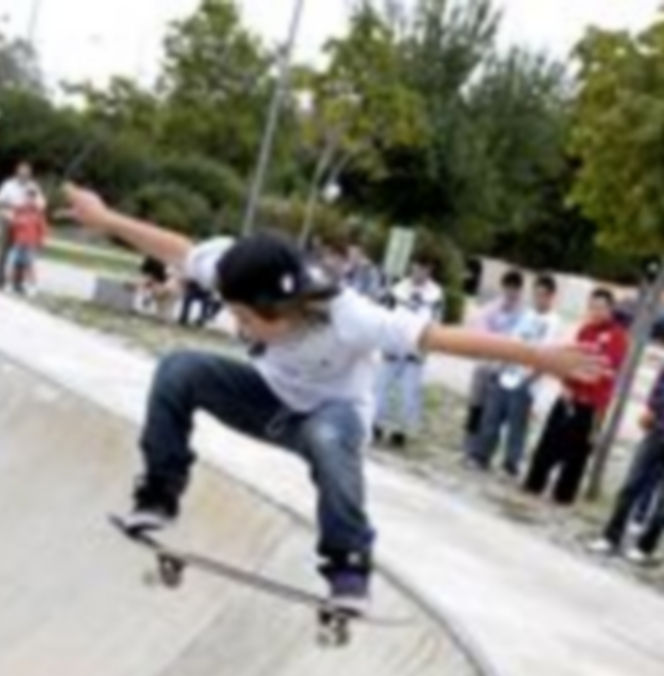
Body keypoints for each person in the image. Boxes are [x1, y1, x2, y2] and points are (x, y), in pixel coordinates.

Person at [63, 183, 605, 611]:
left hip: (332, 417)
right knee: (179, 368)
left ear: (288, 308)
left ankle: (348, 561)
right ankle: (159, 494)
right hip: (267, 401)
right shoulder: (241, 266)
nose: (240, 325)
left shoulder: (353, 317)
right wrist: (106, 219)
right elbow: (178, 248)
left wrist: (544, 358)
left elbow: (440, 339)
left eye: (249, 319)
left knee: (326, 435)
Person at [524, 288, 628, 505]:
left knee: (577, 454)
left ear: (610, 309)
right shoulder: (585, 331)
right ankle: (534, 485)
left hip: (590, 403)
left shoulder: (618, 337)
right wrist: (565, 383)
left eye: (600, 307)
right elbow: (571, 359)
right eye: (592, 307)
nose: (595, 311)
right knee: (548, 442)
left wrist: (590, 389)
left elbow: (606, 371)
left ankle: (563, 496)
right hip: (568, 396)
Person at [472, 274, 562, 476]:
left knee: (517, 425)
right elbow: (512, 342)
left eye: (542, 295)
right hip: (507, 372)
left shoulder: (553, 322)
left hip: (526, 379)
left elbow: (548, 354)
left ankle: (511, 462)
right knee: (492, 417)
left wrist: (531, 379)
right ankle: (481, 455)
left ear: (550, 297)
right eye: (535, 294)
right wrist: (500, 367)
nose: (538, 299)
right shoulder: (526, 315)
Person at [588, 367, 664, 564]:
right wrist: (651, 407)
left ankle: (644, 547)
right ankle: (610, 537)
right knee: (630, 486)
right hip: (658, 430)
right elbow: (659, 384)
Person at [373, 254, 444, 447]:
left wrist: (427, 347)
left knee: (408, 391)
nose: (420, 271)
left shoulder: (435, 294)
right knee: (381, 386)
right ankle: (375, 425)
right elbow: (385, 313)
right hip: (394, 343)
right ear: (412, 267)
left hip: (416, 348)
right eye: (417, 267)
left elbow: (435, 321)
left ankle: (400, 431)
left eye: (425, 268)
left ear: (430, 270)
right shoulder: (398, 289)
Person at [463, 269, 527, 459]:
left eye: (514, 290)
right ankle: (468, 444)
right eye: (508, 288)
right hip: (485, 363)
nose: (510, 293)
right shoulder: (492, 308)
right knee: (476, 405)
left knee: (492, 412)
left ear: (519, 291)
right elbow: (480, 330)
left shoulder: (523, 314)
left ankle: (482, 449)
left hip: (505, 366)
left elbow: (518, 339)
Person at [0, 162, 45, 289]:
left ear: (29, 175)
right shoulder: (8, 185)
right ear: (17, 173)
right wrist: (13, 206)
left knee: (22, 254)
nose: (23, 175)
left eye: (26, 173)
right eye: (21, 173)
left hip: (25, 223)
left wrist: (32, 205)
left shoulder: (33, 186)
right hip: (8, 219)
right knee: (4, 250)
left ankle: (18, 282)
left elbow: (41, 203)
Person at [8, 185, 47, 295]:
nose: (30, 199)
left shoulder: (38, 212)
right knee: (14, 264)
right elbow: (13, 224)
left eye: (32, 197)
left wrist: (41, 242)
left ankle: (32, 286)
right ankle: (11, 284)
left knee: (29, 265)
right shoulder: (19, 210)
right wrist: (17, 222)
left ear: (35, 199)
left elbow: (42, 228)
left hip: (31, 243)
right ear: (25, 197)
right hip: (18, 241)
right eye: (28, 196)